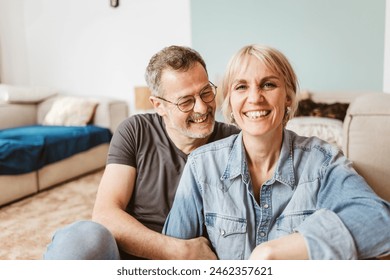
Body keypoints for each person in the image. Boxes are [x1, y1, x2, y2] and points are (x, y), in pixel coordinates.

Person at [162, 44, 390, 260]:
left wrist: (274, 251)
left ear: (288, 97)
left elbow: (380, 223)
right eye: (241, 87)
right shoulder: (202, 166)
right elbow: (172, 255)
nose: (255, 98)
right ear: (230, 103)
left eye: (268, 84)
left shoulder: (322, 161)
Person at [43, 45, 239, 259]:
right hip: (133, 256)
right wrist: (178, 251)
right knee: (81, 238)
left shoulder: (234, 141)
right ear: (158, 105)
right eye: (186, 101)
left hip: (196, 264)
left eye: (206, 92)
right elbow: (106, 213)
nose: (202, 108)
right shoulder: (135, 130)